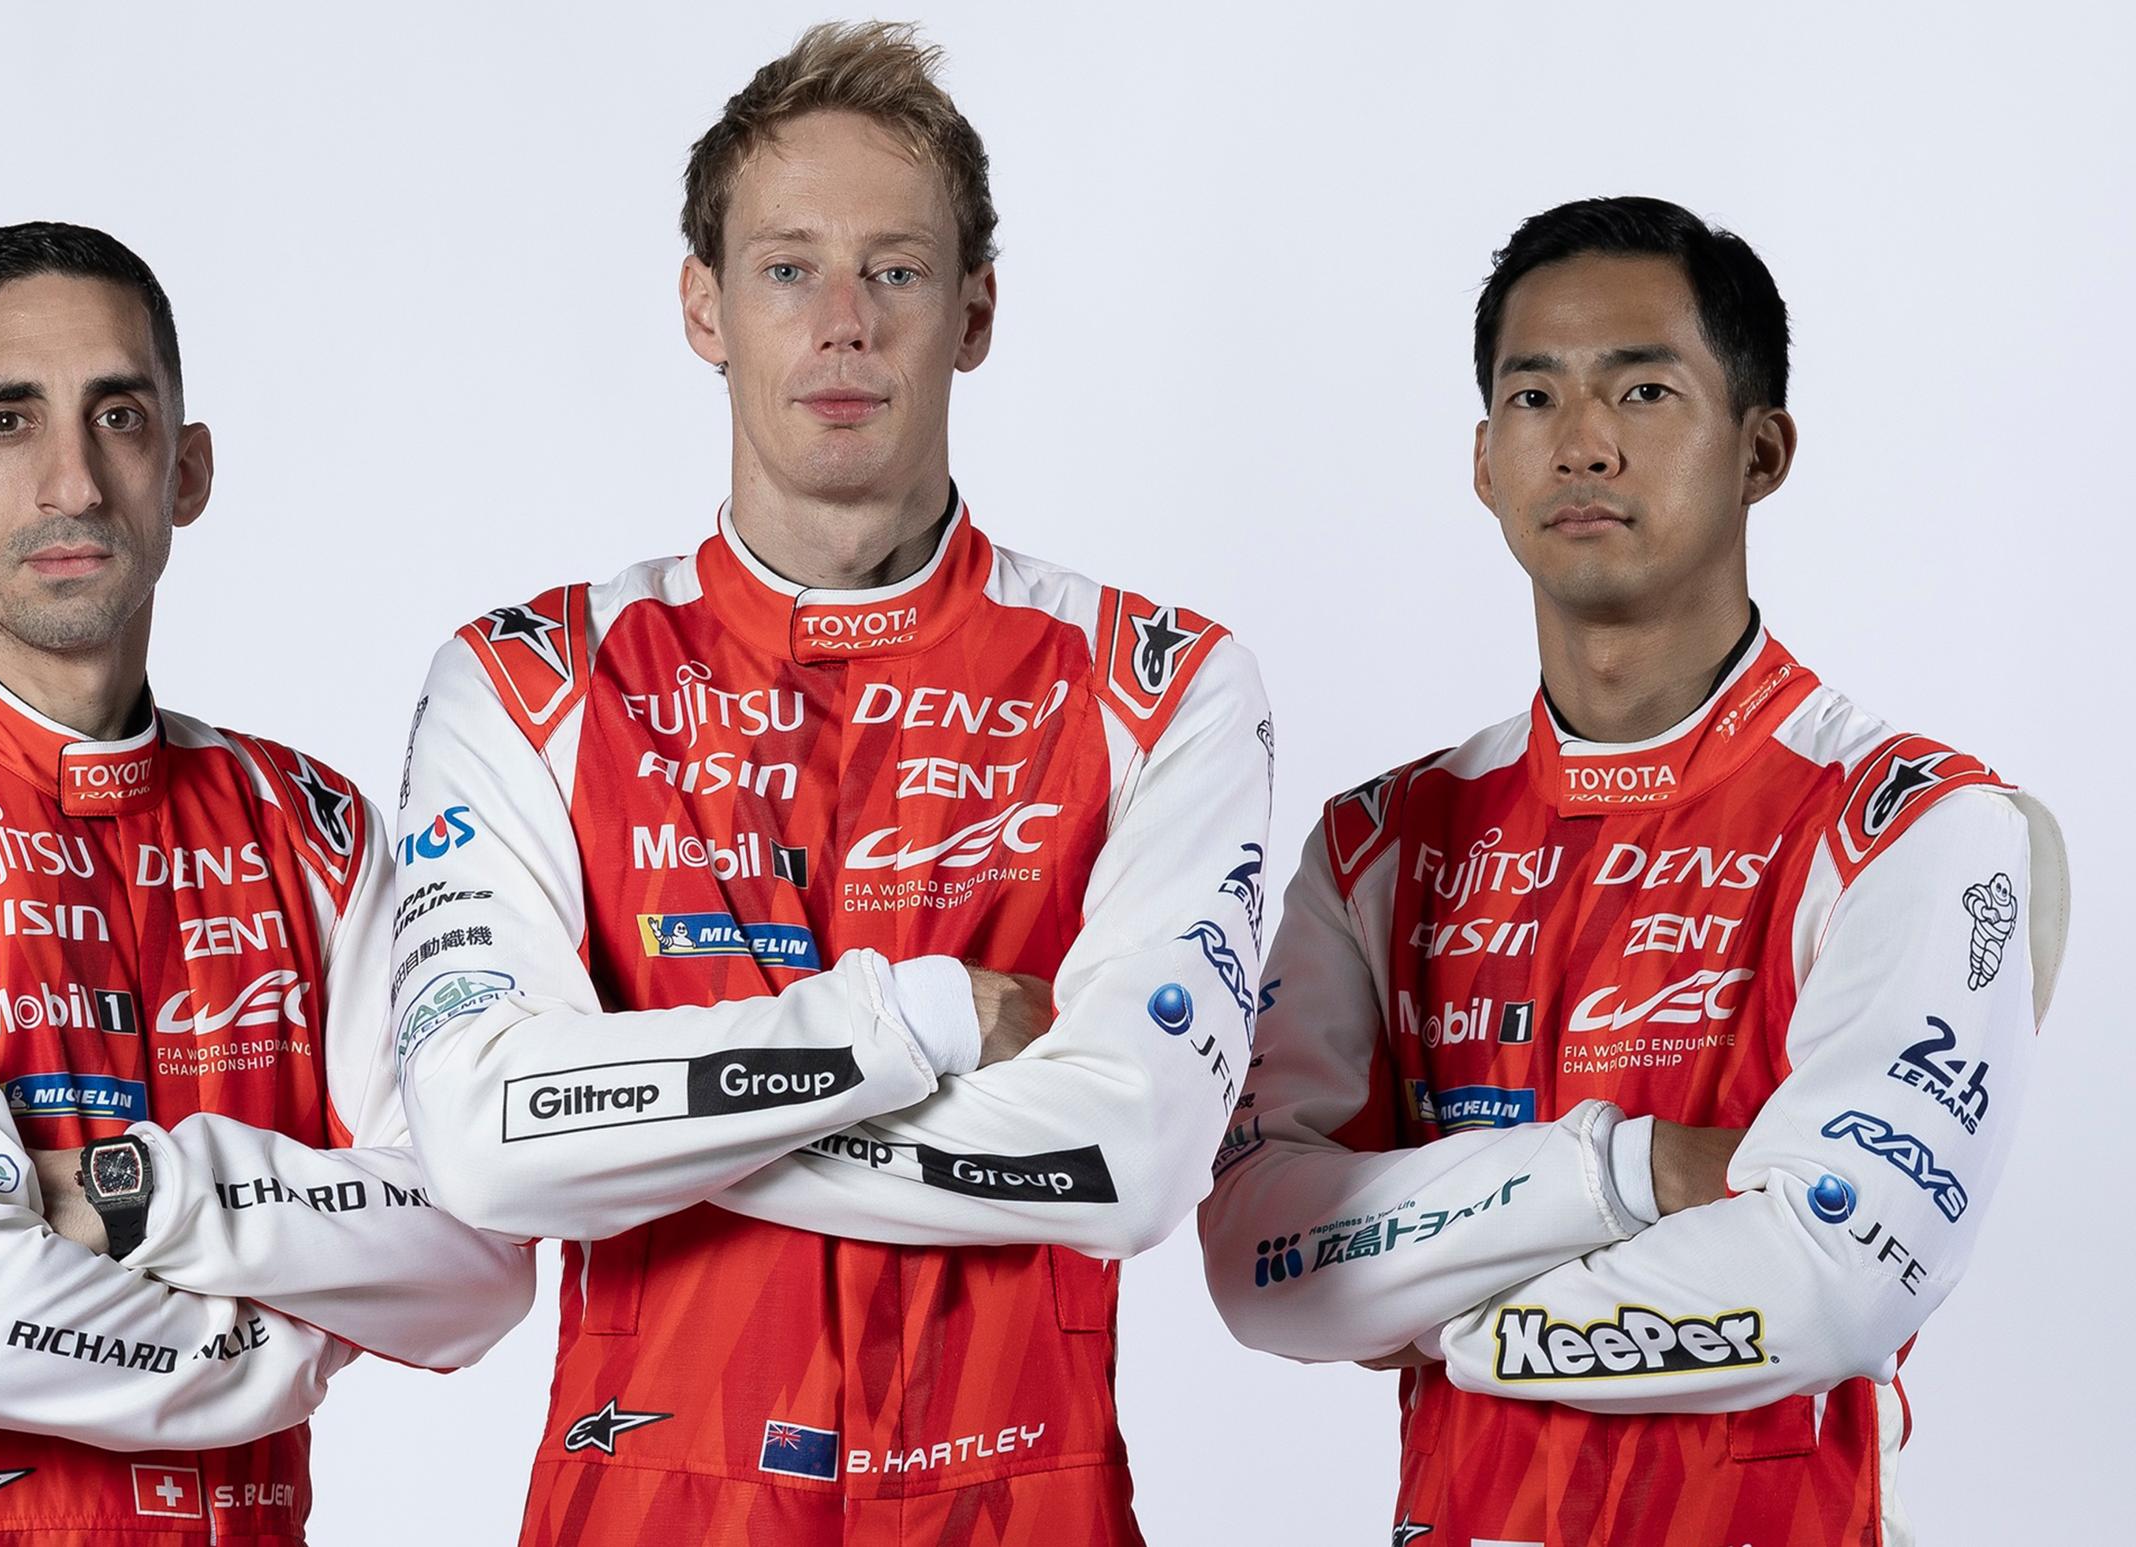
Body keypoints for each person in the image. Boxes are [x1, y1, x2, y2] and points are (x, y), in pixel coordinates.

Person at [374, 22, 1272, 1546]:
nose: (844, 324)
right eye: (788, 269)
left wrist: (638, 1125)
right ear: (704, 307)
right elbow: (477, 1141)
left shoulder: (1159, 682)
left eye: (895, 271)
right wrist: (913, 1028)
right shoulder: (529, 682)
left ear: (974, 311)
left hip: (1021, 1506)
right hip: (644, 1508)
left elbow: (1124, 1157)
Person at [1199, 196, 2070, 1546]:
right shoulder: (1378, 843)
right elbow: (1263, 1267)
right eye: (1533, 395)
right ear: (1485, 462)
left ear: (1761, 450)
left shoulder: (1916, 824)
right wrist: (1632, 1170)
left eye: (1645, 390)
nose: (1584, 442)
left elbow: (1835, 1276)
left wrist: (1445, 1310)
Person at [0, 222, 534, 1546]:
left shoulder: (312, 827)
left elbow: (478, 1264)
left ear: (188, 467)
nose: (71, 481)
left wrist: (146, 1194)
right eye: (7, 421)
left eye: (117, 417)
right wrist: (289, 1344)